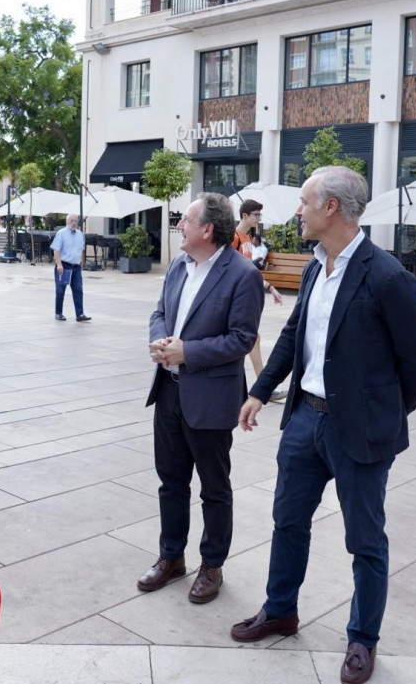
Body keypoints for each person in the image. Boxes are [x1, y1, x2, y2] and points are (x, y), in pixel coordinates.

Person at [230, 166, 416, 684]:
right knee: (287, 522)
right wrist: (260, 389)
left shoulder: (388, 277)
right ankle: (280, 609)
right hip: (304, 422)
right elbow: (294, 334)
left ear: (331, 208)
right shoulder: (312, 268)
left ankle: (362, 640)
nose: (296, 211)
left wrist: (384, 413)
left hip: (359, 434)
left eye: (304, 201)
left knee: (365, 541)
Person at [140, 193, 264, 604]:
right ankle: (171, 557)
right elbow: (160, 312)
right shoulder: (178, 265)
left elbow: (242, 339)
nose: (178, 225)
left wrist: (188, 352)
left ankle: (212, 566)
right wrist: (159, 339)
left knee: (214, 487)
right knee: (170, 482)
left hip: (210, 398)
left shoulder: (242, 274)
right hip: (169, 393)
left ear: (207, 230)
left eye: (185, 220)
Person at [232, 201, 284, 400]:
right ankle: (261, 387)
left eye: (259, 215)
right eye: (256, 214)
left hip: (243, 295)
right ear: (244, 216)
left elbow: (248, 270)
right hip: (235, 297)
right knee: (249, 339)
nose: (258, 219)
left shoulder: (247, 238)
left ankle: (262, 387)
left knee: (252, 339)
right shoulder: (234, 238)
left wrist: (269, 287)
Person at [51, 213, 90, 322]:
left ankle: (80, 314)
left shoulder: (79, 234)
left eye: (75, 221)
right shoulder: (61, 233)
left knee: (78, 289)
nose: (74, 223)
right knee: (61, 289)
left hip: (76, 266)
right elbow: (56, 250)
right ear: (67, 222)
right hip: (65, 266)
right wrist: (59, 264)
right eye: (71, 221)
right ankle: (58, 313)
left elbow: (81, 249)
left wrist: (81, 260)